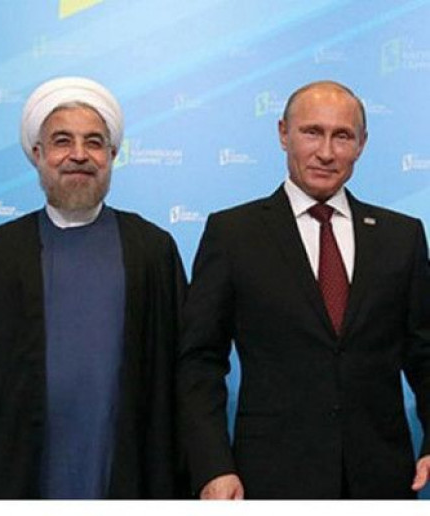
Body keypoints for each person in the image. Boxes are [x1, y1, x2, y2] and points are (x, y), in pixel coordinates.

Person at [0, 77, 188, 498]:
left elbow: (183, 381)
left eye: (94, 142)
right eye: (62, 141)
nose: (79, 155)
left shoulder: (152, 251)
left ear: (112, 156)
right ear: (38, 154)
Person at [177, 80, 430, 499]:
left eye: (342, 136)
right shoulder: (233, 234)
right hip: (269, 480)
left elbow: (425, 353)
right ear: (283, 133)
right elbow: (199, 362)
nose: (326, 152)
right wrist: (213, 467)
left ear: (362, 144)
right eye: (312, 132)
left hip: (382, 480)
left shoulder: (401, 237)